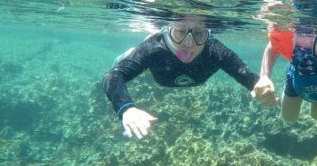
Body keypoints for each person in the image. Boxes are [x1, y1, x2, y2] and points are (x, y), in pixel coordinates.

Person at [103, 16, 269, 139]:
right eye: (180, 32)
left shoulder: (215, 51)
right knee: (136, 60)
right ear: (168, 30)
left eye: (199, 34)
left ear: (208, 34)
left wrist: (260, 85)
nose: (189, 43)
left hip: (164, 74)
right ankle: (132, 54)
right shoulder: (154, 48)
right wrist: (126, 108)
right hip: (154, 69)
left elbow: (246, 75)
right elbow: (113, 75)